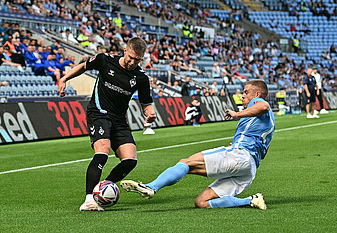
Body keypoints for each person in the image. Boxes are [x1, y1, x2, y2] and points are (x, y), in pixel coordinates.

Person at [121, 80, 275, 210]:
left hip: (240, 155)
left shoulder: (259, 103)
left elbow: (263, 107)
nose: (242, 95)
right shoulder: (268, 122)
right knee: (202, 202)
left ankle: (151, 187)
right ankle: (251, 200)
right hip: (250, 169)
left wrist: (236, 114)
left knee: (186, 163)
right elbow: (264, 151)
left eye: (246, 92)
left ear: (257, 95)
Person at [58, 37, 156, 211]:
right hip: (99, 113)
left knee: (130, 160)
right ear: (125, 50)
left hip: (119, 119)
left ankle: (104, 188)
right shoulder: (104, 60)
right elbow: (83, 66)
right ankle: (89, 199)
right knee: (102, 150)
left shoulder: (140, 78)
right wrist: (64, 79)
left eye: (138, 60)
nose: (133, 62)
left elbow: (146, 103)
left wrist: (150, 114)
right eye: (131, 57)